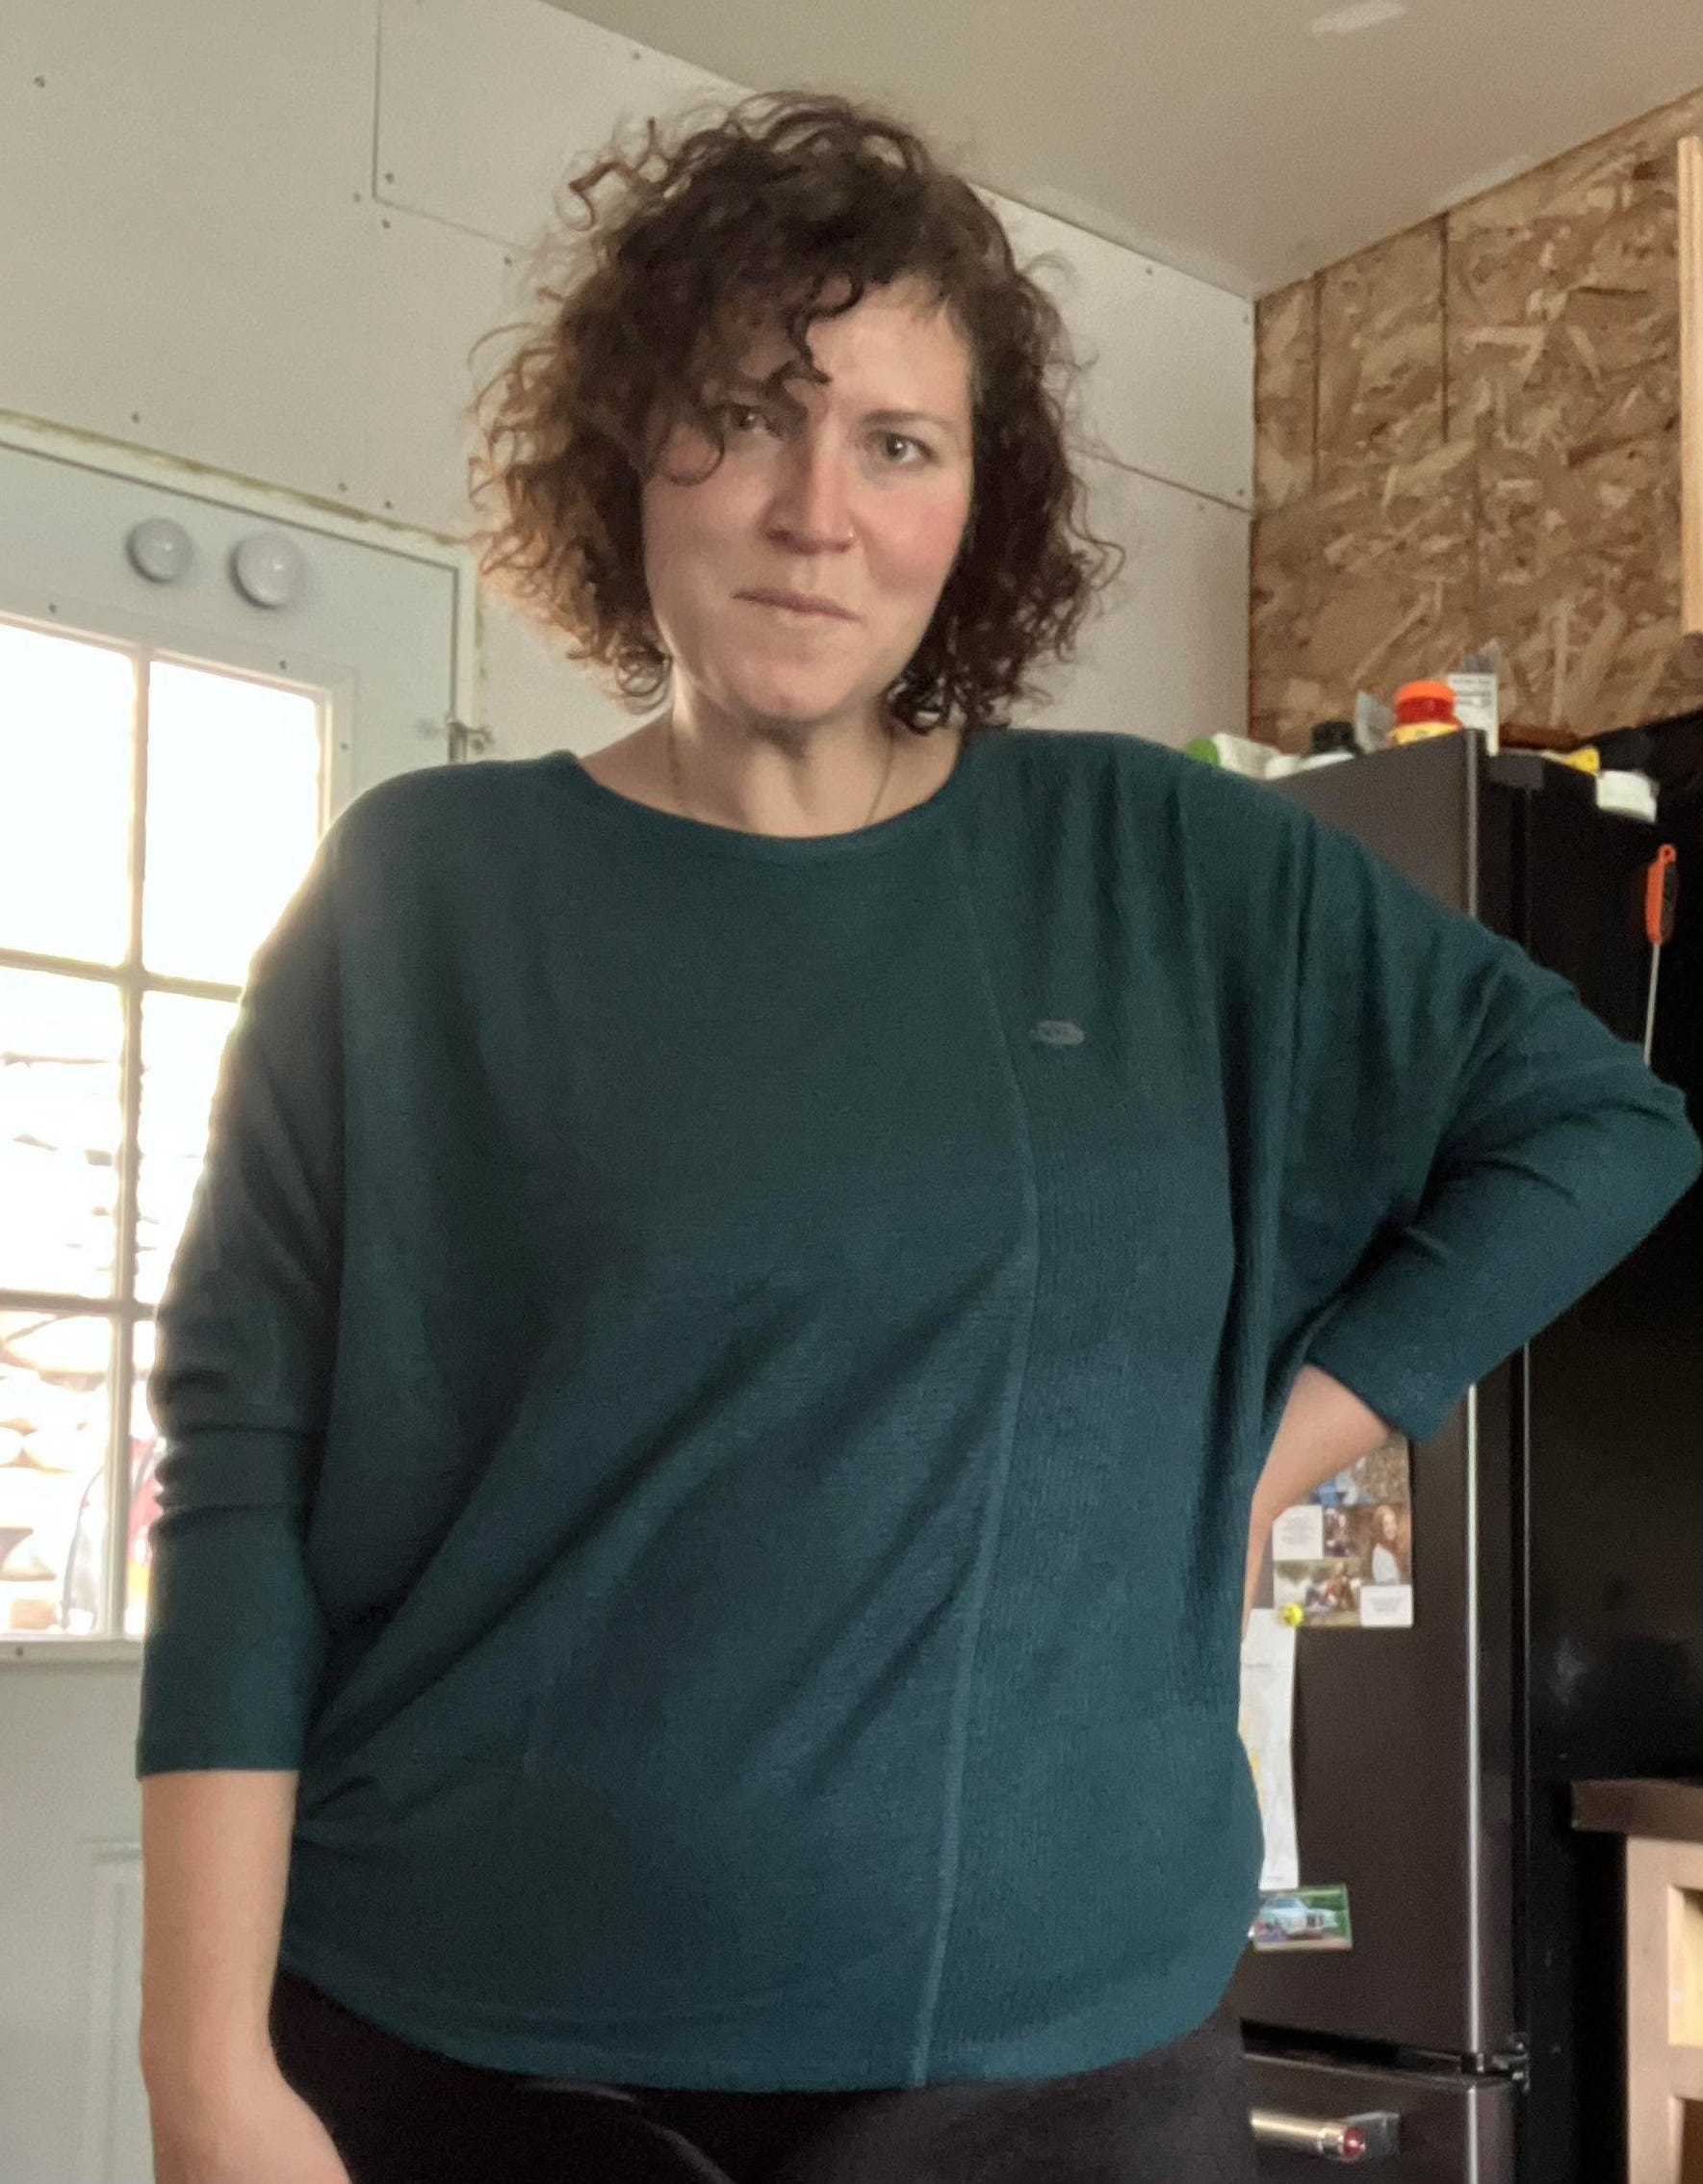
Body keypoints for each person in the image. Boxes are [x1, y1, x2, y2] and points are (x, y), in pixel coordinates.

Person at [134, 89, 1701, 2184]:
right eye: (743, 418)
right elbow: (240, 1473)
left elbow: (1601, 1128)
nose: (816, 511)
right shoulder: (418, 894)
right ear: (623, 451)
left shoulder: (1165, 866)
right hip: (468, 2050)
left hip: (1058, 2086)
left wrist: (1266, 1450)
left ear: (982, 504)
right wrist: (202, 2068)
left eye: (897, 443)